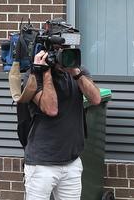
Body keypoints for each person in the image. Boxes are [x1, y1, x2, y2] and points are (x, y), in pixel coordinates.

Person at [15, 50, 102, 200]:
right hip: (41, 165)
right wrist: (46, 72)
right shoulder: (33, 75)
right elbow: (50, 108)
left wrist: (75, 72)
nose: (65, 56)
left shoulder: (77, 71)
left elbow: (96, 99)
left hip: (72, 163)